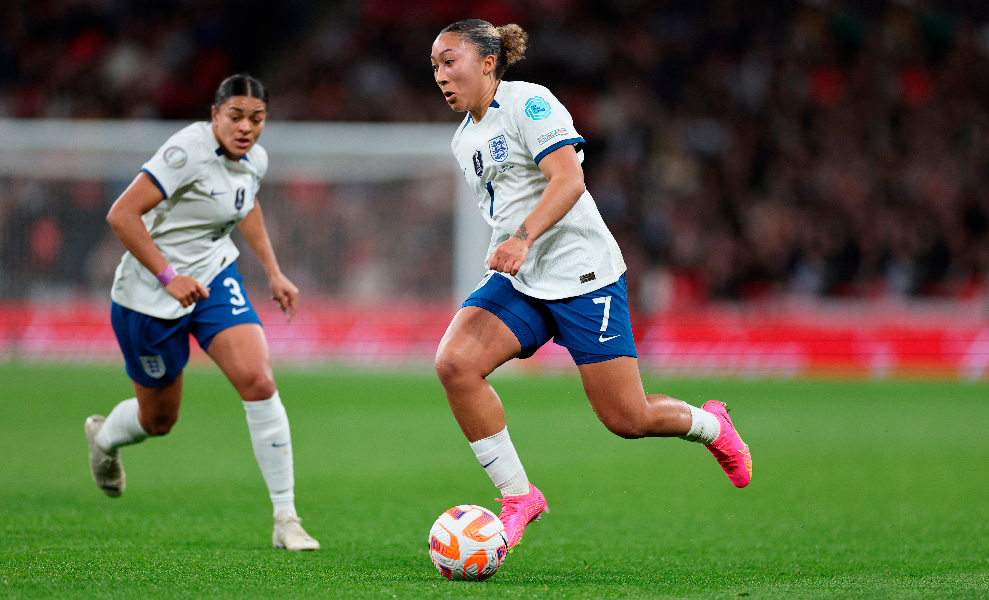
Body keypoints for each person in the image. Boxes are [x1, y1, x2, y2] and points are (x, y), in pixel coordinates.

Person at [430, 20, 752, 550]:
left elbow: (569, 180)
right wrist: (516, 249)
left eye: (450, 61)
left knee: (628, 418)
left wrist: (523, 238)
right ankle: (518, 497)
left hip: (583, 277)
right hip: (523, 278)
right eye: (435, 67)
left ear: (488, 63)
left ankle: (712, 425)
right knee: (455, 363)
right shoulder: (465, 137)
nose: (441, 75)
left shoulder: (530, 104)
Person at [85, 74, 319, 551]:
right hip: (150, 296)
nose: (246, 128)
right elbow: (121, 215)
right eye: (235, 116)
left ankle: (286, 519)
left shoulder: (255, 158)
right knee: (159, 421)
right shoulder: (185, 152)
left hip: (213, 279)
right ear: (214, 115)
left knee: (260, 381)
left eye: (256, 118)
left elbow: (245, 204)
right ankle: (104, 438)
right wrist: (170, 277)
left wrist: (273, 271)